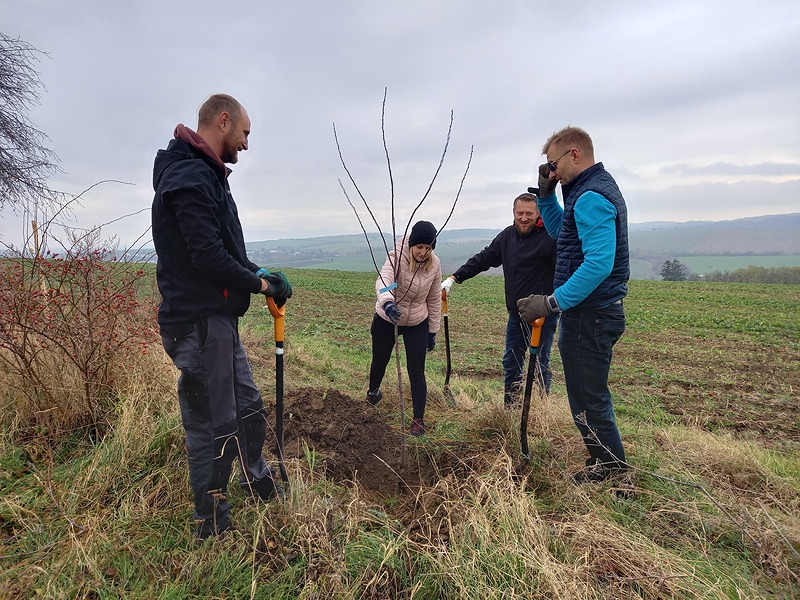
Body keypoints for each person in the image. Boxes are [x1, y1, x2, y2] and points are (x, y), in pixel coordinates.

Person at [151, 93, 293, 539]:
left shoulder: (207, 174)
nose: (247, 144)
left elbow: (225, 250)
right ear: (224, 121)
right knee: (213, 425)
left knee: (248, 408)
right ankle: (210, 521)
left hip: (217, 322)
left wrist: (258, 271)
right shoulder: (189, 176)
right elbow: (207, 256)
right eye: (245, 133)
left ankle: (258, 480)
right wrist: (260, 286)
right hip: (198, 324)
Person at [516, 126, 630, 483]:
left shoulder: (592, 196)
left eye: (554, 164)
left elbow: (599, 264)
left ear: (575, 154)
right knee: (584, 396)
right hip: (589, 313)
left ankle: (613, 472)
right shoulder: (584, 191)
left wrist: (552, 303)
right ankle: (602, 463)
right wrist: (546, 195)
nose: (552, 171)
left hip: (591, 315)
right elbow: (561, 233)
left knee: (589, 398)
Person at [441, 192, 557, 405]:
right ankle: (511, 408)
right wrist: (455, 277)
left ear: (538, 213)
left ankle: (541, 410)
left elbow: (565, 271)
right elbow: (484, 258)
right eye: (520, 213)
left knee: (541, 363)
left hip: (542, 316)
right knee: (511, 361)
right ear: (513, 213)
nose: (524, 218)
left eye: (529, 214)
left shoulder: (550, 238)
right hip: (516, 315)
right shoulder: (507, 237)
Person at [367, 220, 442, 437]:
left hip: (417, 320)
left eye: (428, 248)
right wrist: (388, 302)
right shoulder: (397, 257)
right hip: (388, 317)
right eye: (419, 247)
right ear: (411, 244)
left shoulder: (434, 264)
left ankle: (418, 419)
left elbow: (434, 297)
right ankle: (373, 393)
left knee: (417, 371)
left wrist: (432, 331)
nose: (423, 252)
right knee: (380, 360)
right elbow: (385, 281)